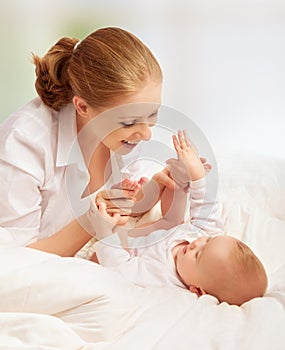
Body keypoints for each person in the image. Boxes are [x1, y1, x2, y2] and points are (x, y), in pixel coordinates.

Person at [0, 27, 165, 256]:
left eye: (153, 115)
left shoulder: (126, 132)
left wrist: (153, 191)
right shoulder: (24, 143)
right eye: (129, 122)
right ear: (82, 107)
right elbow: (15, 263)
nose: (147, 133)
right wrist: (91, 221)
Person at [91, 131, 268, 306]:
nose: (196, 243)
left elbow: (121, 269)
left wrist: (106, 233)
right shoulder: (204, 241)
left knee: (119, 230)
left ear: (197, 290)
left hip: (123, 249)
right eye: (208, 240)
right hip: (164, 226)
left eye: (198, 255)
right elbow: (206, 208)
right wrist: (197, 176)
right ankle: (180, 177)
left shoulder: (162, 276)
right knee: (174, 219)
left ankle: (118, 217)